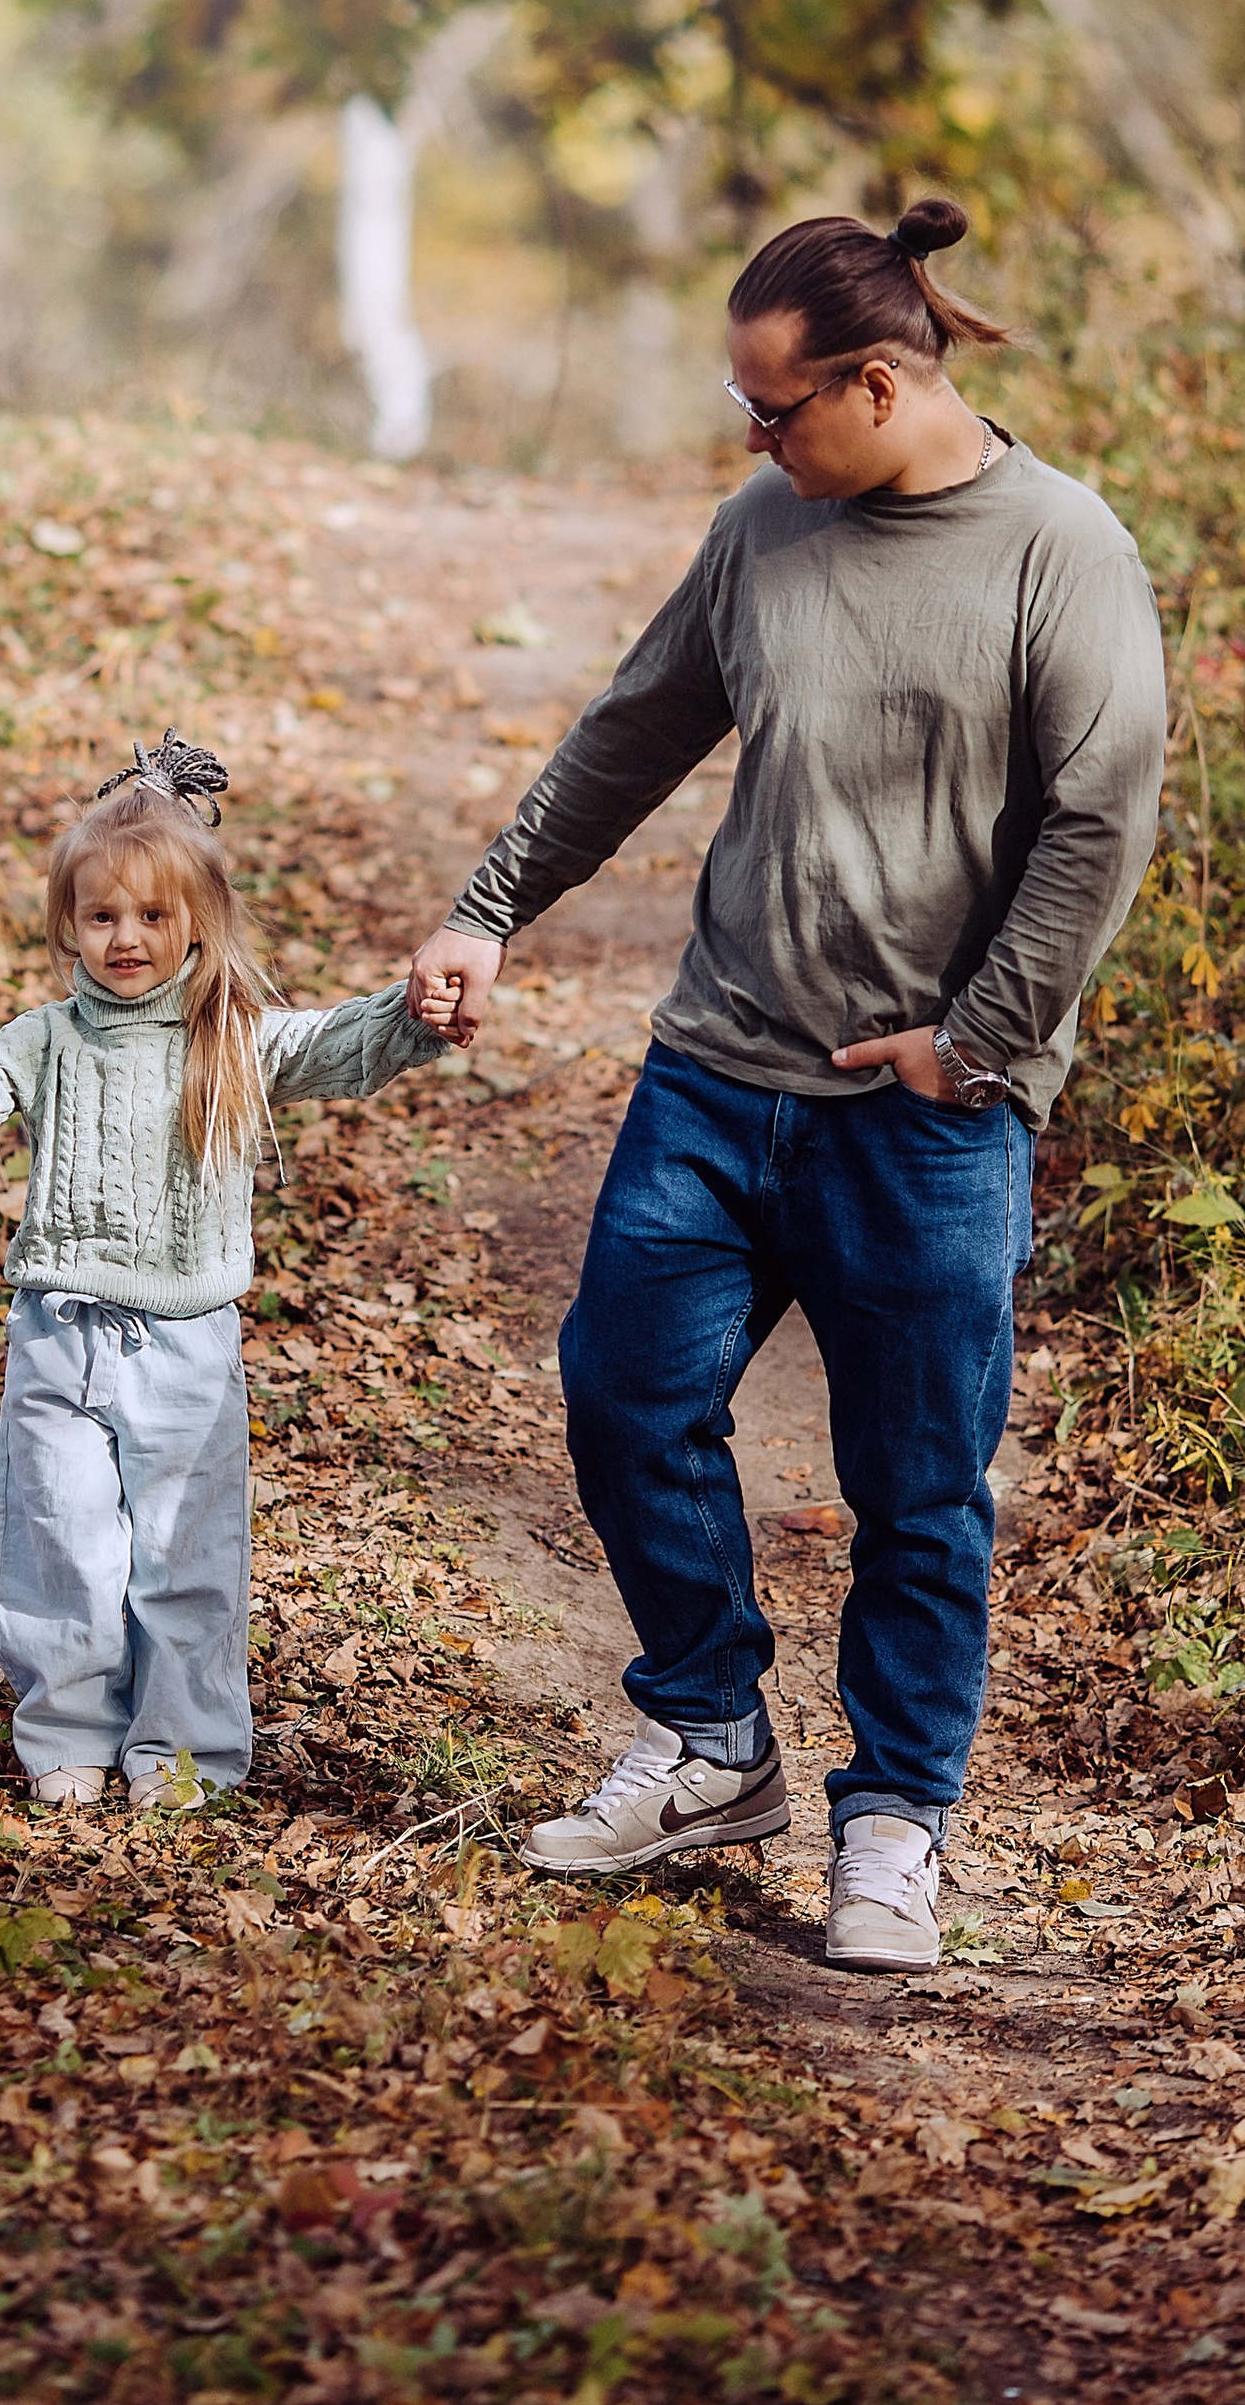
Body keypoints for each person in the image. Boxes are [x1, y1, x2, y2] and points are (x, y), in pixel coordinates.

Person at [407, 198, 1166, 1972]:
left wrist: (976, 1040)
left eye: (775, 408)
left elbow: (1095, 826)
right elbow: (633, 730)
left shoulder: (1063, 553)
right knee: (620, 1392)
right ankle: (713, 1736)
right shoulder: (766, 529)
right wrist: (489, 905)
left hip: (926, 1124)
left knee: (919, 1487)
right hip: (718, 1075)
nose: (748, 438)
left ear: (882, 385)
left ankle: (895, 1819)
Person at [0, 732, 459, 1811]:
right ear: (68, 924)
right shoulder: (45, 1038)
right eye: (101, 916)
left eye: (151, 915)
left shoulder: (229, 1037)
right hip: (58, 1336)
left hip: (186, 1347)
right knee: (59, 1545)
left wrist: (413, 1010)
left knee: (186, 1560)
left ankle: (180, 1752)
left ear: (198, 920)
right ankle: (66, 1736)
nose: (126, 937)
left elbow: (340, 1045)